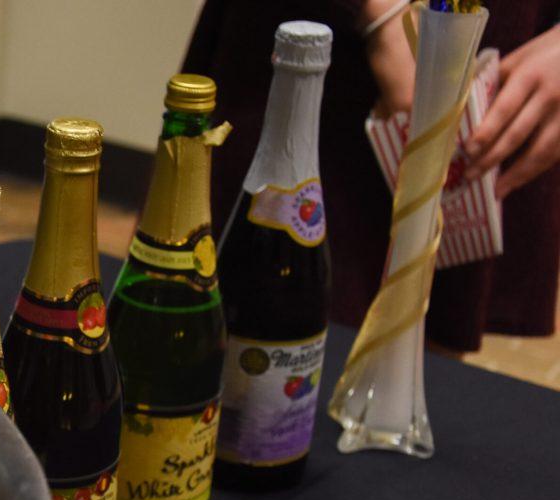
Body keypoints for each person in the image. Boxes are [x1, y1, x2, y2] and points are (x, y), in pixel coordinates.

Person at [183, 0, 560, 352]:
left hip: (504, 65)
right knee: (242, 329)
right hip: (315, 58)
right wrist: (379, 14)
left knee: (431, 330)